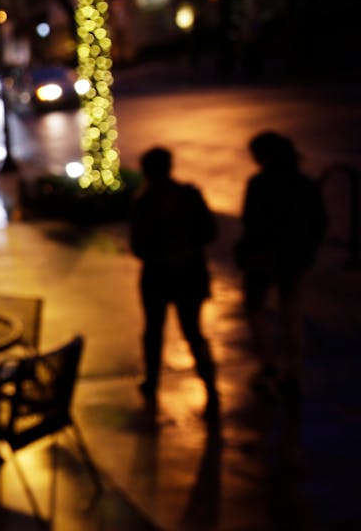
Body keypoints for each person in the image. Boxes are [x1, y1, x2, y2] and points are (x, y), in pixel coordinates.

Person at [129, 146, 220, 419]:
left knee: (154, 331)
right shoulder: (189, 195)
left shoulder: (143, 203)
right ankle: (211, 389)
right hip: (189, 272)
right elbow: (209, 231)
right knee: (193, 331)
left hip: (158, 275)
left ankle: (152, 380)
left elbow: (139, 246)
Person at [234, 131, 327, 395]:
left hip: (263, 256)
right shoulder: (304, 184)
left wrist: (248, 251)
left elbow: (251, 222)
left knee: (255, 308)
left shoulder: (260, 183)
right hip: (294, 257)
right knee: (291, 312)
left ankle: (268, 364)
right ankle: (293, 371)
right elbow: (319, 222)